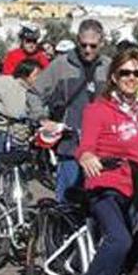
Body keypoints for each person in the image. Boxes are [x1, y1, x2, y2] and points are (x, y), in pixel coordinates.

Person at [71, 47, 138, 275]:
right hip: (105, 185)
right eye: (125, 72)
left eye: (137, 73)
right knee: (120, 239)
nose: (131, 78)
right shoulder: (97, 110)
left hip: (137, 187)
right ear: (113, 76)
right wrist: (86, 155)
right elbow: (85, 145)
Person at [35, 19, 111, 202]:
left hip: (102, 148)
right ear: (77, 40)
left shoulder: (109, 67)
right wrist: (42, 118)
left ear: (102, 43)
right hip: (70, 145)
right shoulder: (60, 65)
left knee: (101, 204)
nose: (88, 50)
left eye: (93, 46)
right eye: (83, 44)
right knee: (67, 203)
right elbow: (34, 93)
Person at [0, 59, 48, 191]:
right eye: (37, 75)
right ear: (24, 75)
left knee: (21, 172)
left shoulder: (39, 90)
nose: (40, 78)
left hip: (22, 135)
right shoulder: (6, 82)